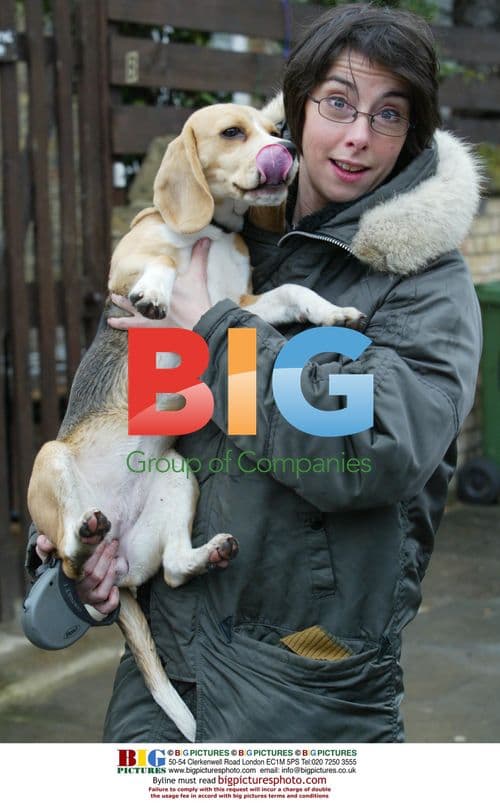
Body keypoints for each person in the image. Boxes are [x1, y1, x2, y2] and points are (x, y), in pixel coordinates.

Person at [27, 3, 482, 742]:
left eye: (389, 114)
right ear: (298, 107)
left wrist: (214, 331)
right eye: (338, 102)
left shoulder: (425, 283)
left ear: (412, 135)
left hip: (310, 688)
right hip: (165, 676)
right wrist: (80, 532)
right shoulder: (219, 230)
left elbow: (370, 453)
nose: (359, 134)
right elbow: (127, 409)